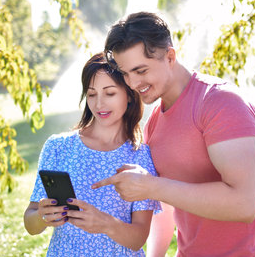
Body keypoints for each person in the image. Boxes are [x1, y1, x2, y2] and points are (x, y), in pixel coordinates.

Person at [92, 12, 255, 256]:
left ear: (170, 56)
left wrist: (151, 186)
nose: (133, 83)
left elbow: (243, 204)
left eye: (140, 70)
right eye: (126, 74)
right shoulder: (154, 123)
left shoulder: (221, 103)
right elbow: (165, 208)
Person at [24, 52, 161, 256]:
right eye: (92, 94)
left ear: (130, 95)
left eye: (110, 93)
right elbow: (30, 223)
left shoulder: (140, 156)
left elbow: (138, 238)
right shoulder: (58, 147)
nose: (99, 104)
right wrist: (42, 216)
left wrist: (106, 224)